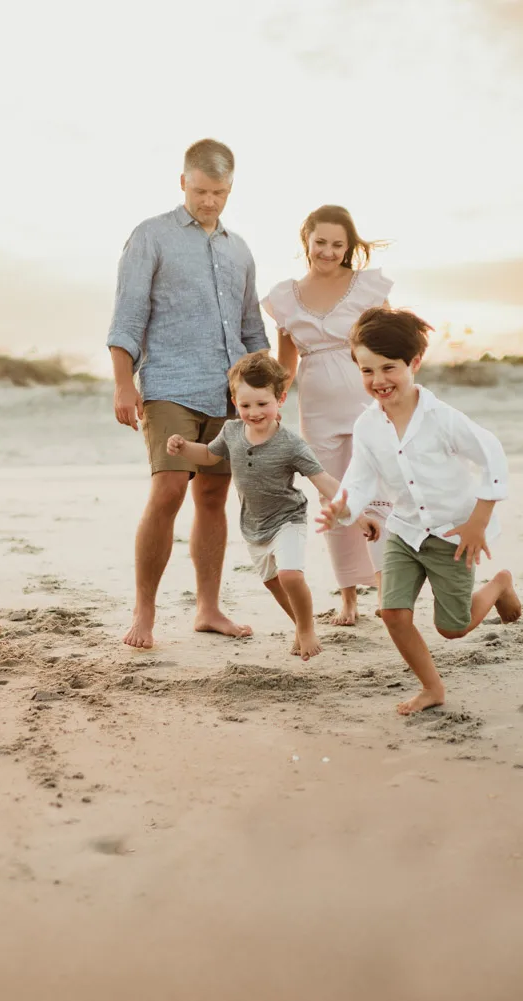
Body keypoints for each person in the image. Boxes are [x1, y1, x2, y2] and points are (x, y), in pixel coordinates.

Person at [315, 307, 523, 715]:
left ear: (414, 363)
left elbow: (492, 454)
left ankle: (499, 584)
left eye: (388, 368)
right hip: (406, 531)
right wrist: (342, 508)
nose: (378, 381)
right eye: (366, 370)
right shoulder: (368, 426)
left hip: (453, 533)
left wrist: (478, 522)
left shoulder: (442, 419)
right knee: (392, 612)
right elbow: (360, 477)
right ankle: (432, 688)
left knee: (453, 628)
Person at [106, 138, 269, 649]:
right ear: (183, 182)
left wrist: (269, 395)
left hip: (229, 392)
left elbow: (252, 329)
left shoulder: (239, 248)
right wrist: (122, 384)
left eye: (219, 192)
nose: (209, 202)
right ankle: (145, 612)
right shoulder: (150, 237)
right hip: (170, 386)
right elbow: (128, 318)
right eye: (200, 190)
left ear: (230, 189)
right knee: (169, 489)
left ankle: (208, 608)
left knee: (215, 496)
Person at [167, 354, 376, 660]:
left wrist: (357, 514)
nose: (254, 412)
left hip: (288, 519)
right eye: (246, 405)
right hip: (253, 527)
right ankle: (299, 624)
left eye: (263, 404)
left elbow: (325, 482)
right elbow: (210, 457)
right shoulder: (231, 432)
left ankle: (306, 630)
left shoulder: (291, 444)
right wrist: (185, 448)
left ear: (280, 399)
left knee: (290, 575)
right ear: (235, 401)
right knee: (274, 582)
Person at [262, 205, 393, 625]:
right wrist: (272, 405)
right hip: (315, 406)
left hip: (366, 400)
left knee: (376, 493)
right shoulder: (285, 297)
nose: (329, 251)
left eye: (338, 244)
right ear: (308, 241)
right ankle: (349, 598)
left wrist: (394, 392)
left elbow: (392, 343)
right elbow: (286, 364)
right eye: (321, 242)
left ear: (349, 246)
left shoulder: (367, 288)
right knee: (334, 499)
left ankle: (387, 590)